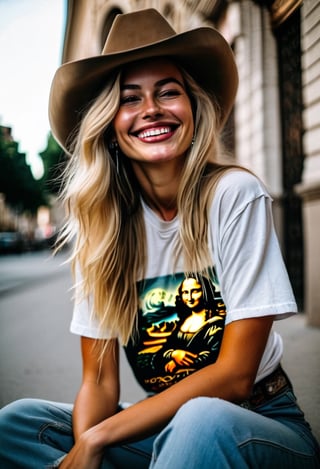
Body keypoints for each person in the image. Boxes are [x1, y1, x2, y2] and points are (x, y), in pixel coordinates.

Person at [0, 8, 319, 469]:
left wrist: (97, 440)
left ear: (193, 109)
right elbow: (99, 383)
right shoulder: (104, 229)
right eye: (130, 99)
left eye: (169, 92)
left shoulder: (234, 196)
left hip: (259, 421)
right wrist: (87, 445)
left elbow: (233, 376)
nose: (151, 109)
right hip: (165, 431)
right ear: (109, 124)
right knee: (17, 424)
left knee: (199, 422)